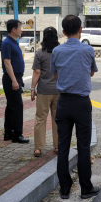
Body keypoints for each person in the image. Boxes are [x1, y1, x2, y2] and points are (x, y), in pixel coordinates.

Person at [51, 15, 99, 200]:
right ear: (81, 29)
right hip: (81, 103)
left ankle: (64, 188)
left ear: (63, 32)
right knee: (83, 146)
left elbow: (55, 74)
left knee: (63, 145)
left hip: (63, 102)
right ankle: (85, 188)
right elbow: (92, 72)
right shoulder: (88, 49)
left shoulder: (57, 51)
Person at [31, 27, 60, 157]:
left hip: (43, 90)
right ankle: (58, 146)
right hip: (59, 90)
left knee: (41, 119)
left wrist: (32, 89)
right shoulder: (60, 52)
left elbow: (37, 72)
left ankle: (38, 148)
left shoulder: (40, 53)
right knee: (58, 119)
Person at [1, 19, 29, 144]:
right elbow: (7, 63)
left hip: (15, 77)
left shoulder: (13, 42)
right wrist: (14, 80)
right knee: (17, 106)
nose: (21, 30)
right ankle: (17, 134)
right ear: (13, 30)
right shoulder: (7, 43)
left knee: (11, 106)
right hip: (12, 77)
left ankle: (8, 133)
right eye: (20, 27)